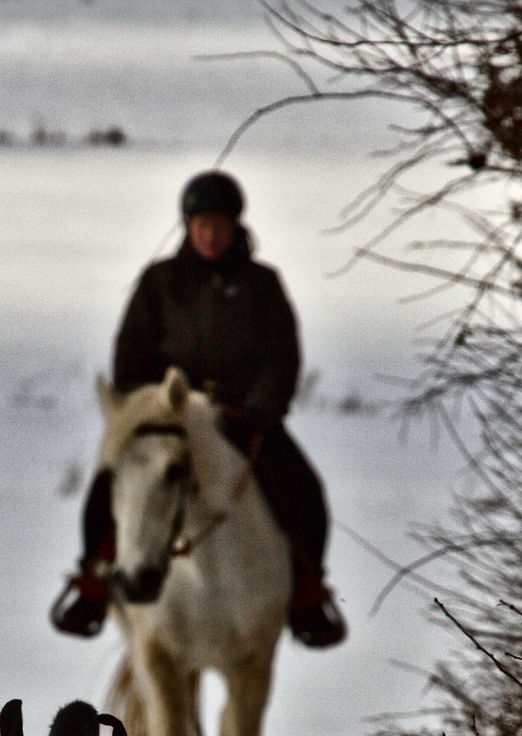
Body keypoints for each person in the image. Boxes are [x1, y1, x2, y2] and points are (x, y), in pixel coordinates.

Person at [50, 169, 346, 647]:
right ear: (187, 227)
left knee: (304, 490)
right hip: (171, 419)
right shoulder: (159, 282)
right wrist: (152, 405)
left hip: (240, 418)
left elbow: (281, 356)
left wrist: (258, 409)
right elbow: (131, 355)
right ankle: (94, 580)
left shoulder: (262, 285)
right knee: (110, 485)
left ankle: (307, 593)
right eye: (202, 226)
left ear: (236, 227)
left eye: (220, 226)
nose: (211, 235)